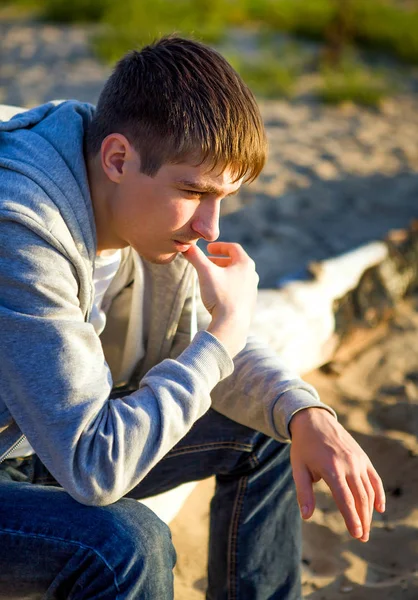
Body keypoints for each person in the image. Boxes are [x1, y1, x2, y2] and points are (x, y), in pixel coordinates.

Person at [0, 35, 385, 599]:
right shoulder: (23, 227)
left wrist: (304, 411)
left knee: (272, 427)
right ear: (117, 158)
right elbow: (92, 467)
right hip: (41, 454)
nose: (211, 227)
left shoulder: (145, 214)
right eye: (192, 191)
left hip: (43, 442)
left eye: (223, 197)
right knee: (124, 544)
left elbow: (196, 346)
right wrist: (224, 332)